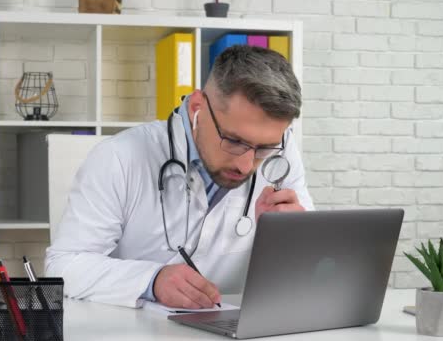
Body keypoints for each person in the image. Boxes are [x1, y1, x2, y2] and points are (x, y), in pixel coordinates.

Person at [45, 45, 314, 309]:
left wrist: (287, 242)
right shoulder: (119, 157)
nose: (246, 165)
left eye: (264, 148)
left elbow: (311, 271)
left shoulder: (281, 153)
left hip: (235, 327)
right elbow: (63, 267)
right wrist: (151, 280)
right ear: (198, 106)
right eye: (234, 140)